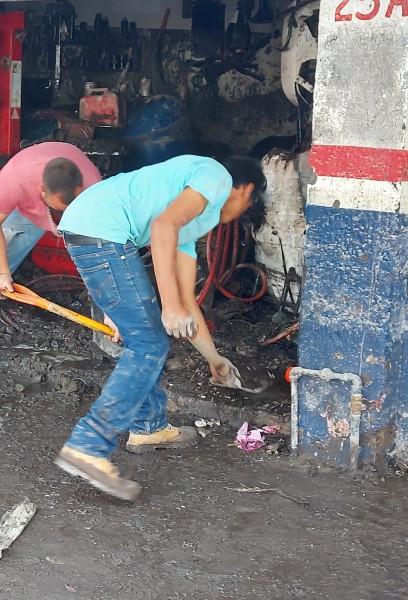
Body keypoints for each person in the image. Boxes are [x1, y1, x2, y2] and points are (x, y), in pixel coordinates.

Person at [53, 154, 267, 501]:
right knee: (150, 343)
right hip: (103, 231)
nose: (244, 209)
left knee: (146, 338)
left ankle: (148, 428)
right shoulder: (217, 175)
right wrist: (168, 307)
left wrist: (215, 361)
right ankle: (87, 446)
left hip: (91, 230)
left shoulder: (193, 221)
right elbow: (162, 228)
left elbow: (187, 305)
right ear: (246, 189)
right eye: (250, 201)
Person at [0, 142, 102, 378]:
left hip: (84, 220)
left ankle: (106, 337)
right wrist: (4, 274)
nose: (63, 216)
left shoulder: (93, 187)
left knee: (101, 275)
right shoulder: (14, 181)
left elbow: (107, 254)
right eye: (60, 208)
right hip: (26, 215)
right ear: (42, 192)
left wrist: (97, 282)